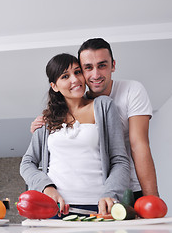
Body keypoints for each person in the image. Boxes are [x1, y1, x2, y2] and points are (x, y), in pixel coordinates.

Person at [31, 38, 159, 199]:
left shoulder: (131, 90)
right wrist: (41, 125)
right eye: (88, 68)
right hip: (105, 191)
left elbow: (138, 145)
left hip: (134, 184)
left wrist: (152, 200)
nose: (96, 74)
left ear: (113, 65)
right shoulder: (75, 103)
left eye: (102, 65)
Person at [20, 53, 130, 217]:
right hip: (54, 209)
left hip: (99, 208)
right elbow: (27, 163)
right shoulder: (47, 119)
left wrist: (110, 194)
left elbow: (120, 160)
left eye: (77, 72)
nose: (75, 80)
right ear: (54, 86)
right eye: (65, 76)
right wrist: (46, 187)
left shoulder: (103, 106)